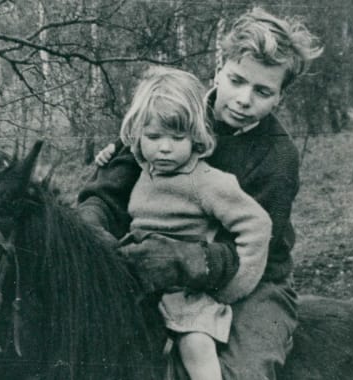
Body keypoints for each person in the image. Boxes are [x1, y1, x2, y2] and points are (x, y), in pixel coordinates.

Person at [78, 7, 323, 380]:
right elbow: (120, 176)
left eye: (262, 91)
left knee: (245, 371)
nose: (243, 99)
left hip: (252, 278)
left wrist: (176, 259)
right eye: (237, 80)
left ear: (279, 99)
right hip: (157, 260)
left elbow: (251, 246)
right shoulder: (180, 109)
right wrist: (90, 227)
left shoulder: (278, 157)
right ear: (218, 71)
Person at [116, 65, 272, 380]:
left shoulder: (206, 181)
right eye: (153, 136)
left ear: (195, 136)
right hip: (142, 286)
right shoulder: (144, 170)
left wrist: (234, 287)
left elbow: (257, 225)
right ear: (138, 134)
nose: (164, 147)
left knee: (195, 346)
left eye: (177, 138)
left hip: (188, 292)